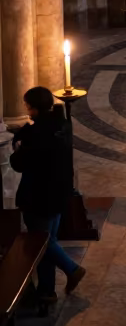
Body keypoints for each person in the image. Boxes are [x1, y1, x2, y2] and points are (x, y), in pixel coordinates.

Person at [10, 87, 86, 304]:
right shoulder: (62, 123)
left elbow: (19, 164)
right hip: (59, 191)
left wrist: (18, 149)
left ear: (31, 106)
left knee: (42, 242)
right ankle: (46, 290)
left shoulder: (36, 134)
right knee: (49, 239)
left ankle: (73, 269)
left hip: (39, 195)